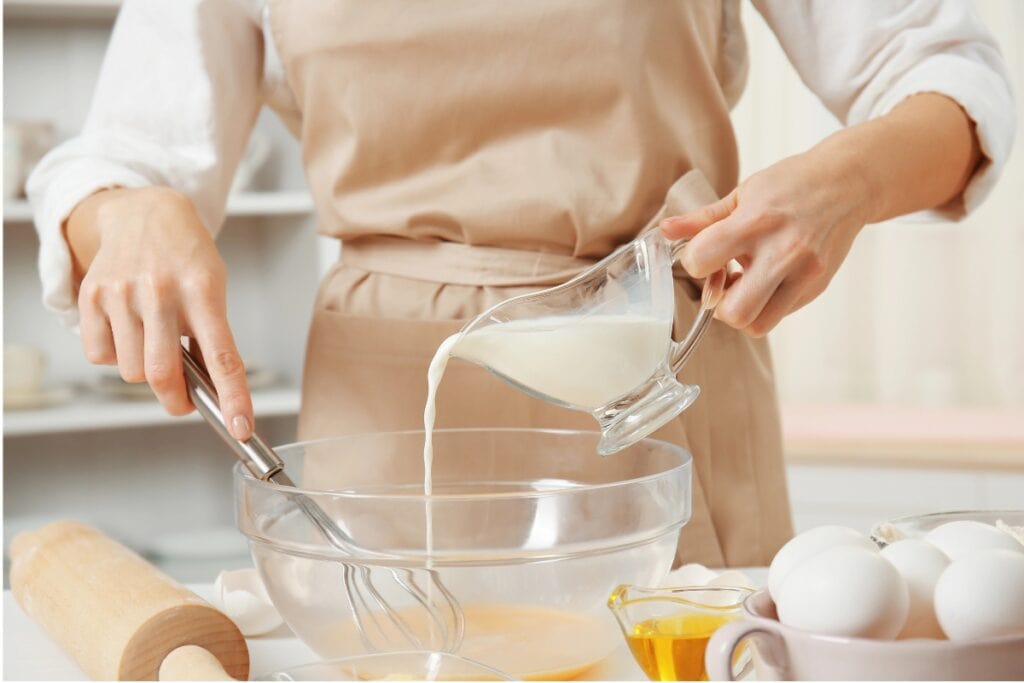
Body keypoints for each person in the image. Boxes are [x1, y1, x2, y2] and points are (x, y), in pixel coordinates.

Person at [28, 1, 1014, 567]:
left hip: (658, 388)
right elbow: (117, 157)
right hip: (385, 435)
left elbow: (948, 75)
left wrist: (848, 180)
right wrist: (127, 211)